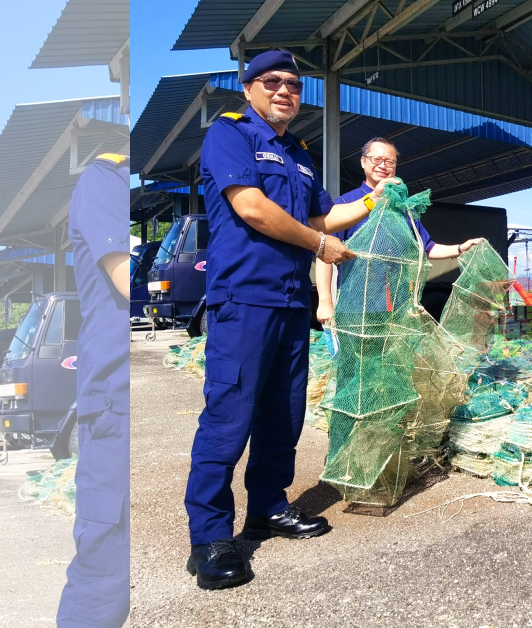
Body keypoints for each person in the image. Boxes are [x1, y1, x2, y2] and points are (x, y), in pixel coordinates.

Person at [185, 50, 386, 590]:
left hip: (293, 302)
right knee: (229, 418)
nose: (284, 91)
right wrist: (321, 245)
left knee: (283, 416)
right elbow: (251, 206)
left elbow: (321, 214)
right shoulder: (232, 135)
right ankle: (209, 538)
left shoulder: (299, 153)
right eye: (271, 81)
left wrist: (373, 200)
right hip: (245, 301)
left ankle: (268, 508)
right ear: (248, 88)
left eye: (293, 85)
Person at [57, 152, 131, 627]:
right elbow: (129, 281)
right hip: (114, 399)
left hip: (123, 395)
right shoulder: (105, 178)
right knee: (106, 560)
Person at [315, 136, 485, 325]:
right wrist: (325, 302)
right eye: (376, 159)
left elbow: (427, 248)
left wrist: (461, 247)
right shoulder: (345, 205)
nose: (383, 166)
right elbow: (324, 255)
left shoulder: (404, 208)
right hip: (356, 308)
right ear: (363, 162)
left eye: (390, 162)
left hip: (399, 309)